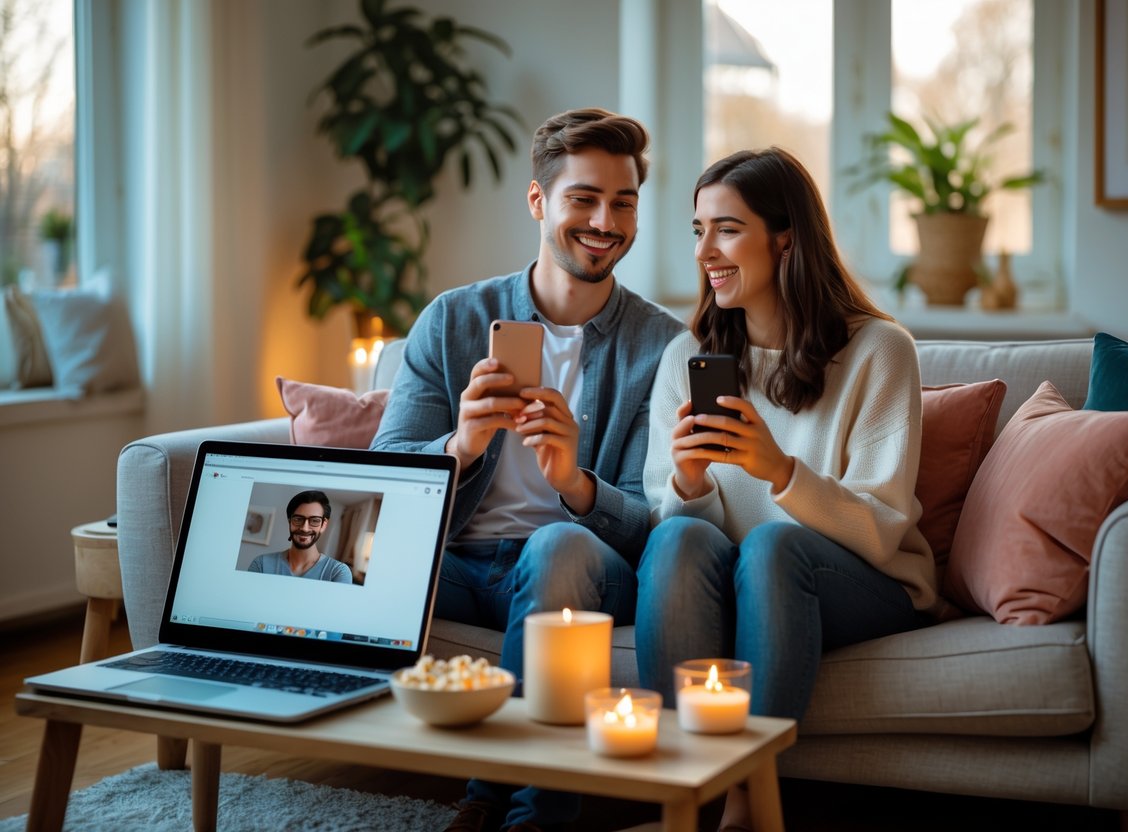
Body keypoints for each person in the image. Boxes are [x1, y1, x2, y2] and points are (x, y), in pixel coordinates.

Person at [370, 107, 684, 832]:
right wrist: (461, 447)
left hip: (572, 568)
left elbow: (650, 525)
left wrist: (574, 480)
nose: (605, 220)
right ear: (539, 201)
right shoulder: (453, 320)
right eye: (584, 198)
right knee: (334, 563)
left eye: (623, 201)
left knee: (554, 544)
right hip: (456, 565)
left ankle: (515, 808)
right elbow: (383, 487)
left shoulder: (661, 348)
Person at [636, 147, 939, 832]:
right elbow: (670, 524)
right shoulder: (688, 356)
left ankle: (747, 802)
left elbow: (880, 525)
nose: (704, 250)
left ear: (785, 239)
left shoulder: (877, 351)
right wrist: (686, 484)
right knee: (680, 536)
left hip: (862, 579)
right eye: (696, 229)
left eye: (726, 228)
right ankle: (681, 794)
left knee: (774, 546)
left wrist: (781, 472)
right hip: (743, 570)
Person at [248, 490, 352, 583]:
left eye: (314, 520)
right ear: (290, 521)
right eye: (298, 519)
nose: (305, 528)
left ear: (323, 525)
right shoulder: (261, 564)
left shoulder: (337, 572)